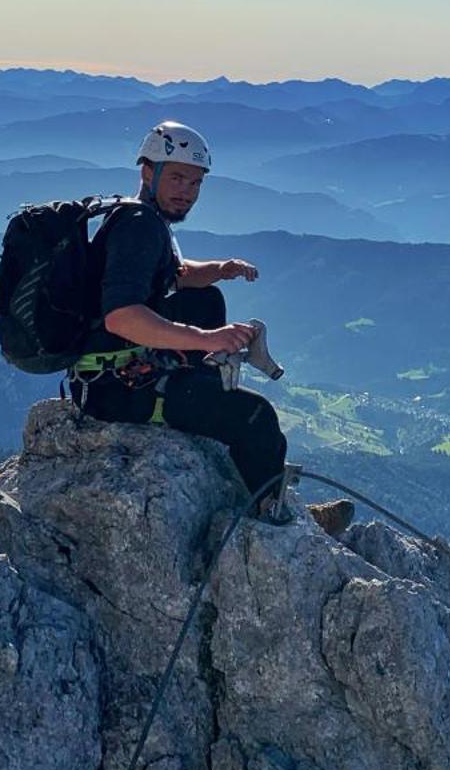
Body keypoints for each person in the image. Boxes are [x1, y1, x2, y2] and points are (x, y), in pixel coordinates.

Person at [73, 121, 304, 511]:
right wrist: (206, 339)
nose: (188, 193)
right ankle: (272, 507)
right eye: (178, 178)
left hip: (118, 368)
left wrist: (220, 267)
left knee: (205, 298)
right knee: (256, 417)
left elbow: (171, 276)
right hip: (114, 389)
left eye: (196, 183)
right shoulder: (139, 229)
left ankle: (199, 387)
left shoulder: (141, 218)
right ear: (148, 171)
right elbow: (121, 317)